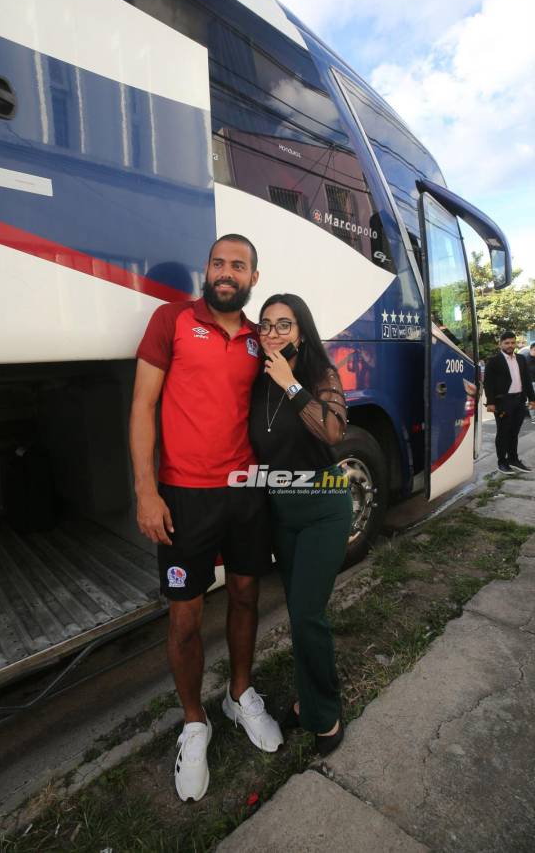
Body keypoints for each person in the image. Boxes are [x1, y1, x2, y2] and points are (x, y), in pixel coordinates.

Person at [129, 234, 283, 803]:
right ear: (208, 269)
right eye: (218, 262)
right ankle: (195, 721)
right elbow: (143, 405)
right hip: (183, 498)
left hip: (244, 494)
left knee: (245, 597)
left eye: (237, 265)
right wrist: (147, 491)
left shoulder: (256, 340)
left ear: (252, 278)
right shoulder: (171, 321)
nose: (225, 272)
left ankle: (239, 695)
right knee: (185, 621)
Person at [248, 293, 352, 755]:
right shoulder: (255, 380)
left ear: (301, 332)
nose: (272, 333)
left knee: (309, 615)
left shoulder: (317, 375)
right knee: (298, 616)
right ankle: (305, 702)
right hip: (282, 512)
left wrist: (292, 384)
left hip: (324, 507)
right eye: (266, 325)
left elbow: (333, 432)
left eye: (283, 325)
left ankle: (325, 716)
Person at [484, 330, 535, 473]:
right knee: (503, 433)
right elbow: (488, 383)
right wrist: (490, 403)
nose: (510, 345)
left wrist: (532, 399)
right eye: (507, 343)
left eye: (512, 342)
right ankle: (502, 461)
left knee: (514, 432)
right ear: (500, 344)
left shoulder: (520, 359)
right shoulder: (494, 361)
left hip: (519, 401)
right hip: (503, 403)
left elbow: (526, 380)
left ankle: (513, 459)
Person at [518, 342, 535, 424]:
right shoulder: (525, 359)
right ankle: (533, 418)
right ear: (531, 349)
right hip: (530, 383)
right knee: (532, 400)